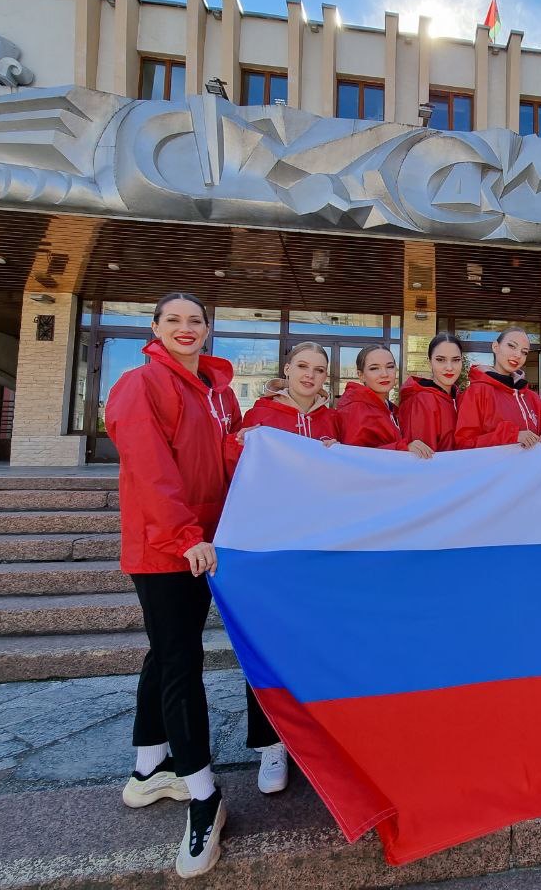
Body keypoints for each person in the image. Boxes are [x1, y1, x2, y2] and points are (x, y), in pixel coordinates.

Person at [105, 292, 238, 879]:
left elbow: (226, 455)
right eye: (174, 321)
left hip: (203, 542)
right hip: (168, 547)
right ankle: (203, 791)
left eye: (196, 321)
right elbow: (150, 466)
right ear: (155, 328)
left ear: (208, 330)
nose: (186, 329)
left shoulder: (216, 392)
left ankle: (147, 770)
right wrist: (184, 533)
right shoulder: (141, 384)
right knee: (182, 661)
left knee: (165, 653)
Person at [229, 341, 339, 800]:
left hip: (318, 547)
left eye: (318, 370)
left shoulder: (332, 421)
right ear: (287, 370)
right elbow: (235, 469)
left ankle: (315, 738)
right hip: (268, 547)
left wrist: (337, 456)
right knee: (265, 644)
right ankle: (271, 744)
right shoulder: (260, 417)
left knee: (314, 643)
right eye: (302, 368)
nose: (310, 376)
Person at [454, 327, 541, 449]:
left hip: (531, 468)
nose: (518, 355)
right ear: (495, 347)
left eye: (524, 352)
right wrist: (511, 436)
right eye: (512, 346)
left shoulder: (532, 397)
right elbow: (464, 444)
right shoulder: (476, 393)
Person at [338, 344, 434, 457]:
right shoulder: (355, 409)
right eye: (374, 368)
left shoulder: (391, 408)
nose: (384, 374)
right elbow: (354, 458)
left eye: (390, 366)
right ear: (361, 375)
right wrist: (403, 448)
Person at [398, 332, 463, 452]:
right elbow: (423, 460)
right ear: (429, 362)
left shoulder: (459, 398)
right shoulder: (422, 400)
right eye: (440, 360)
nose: (449, 367)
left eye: (456, 360)